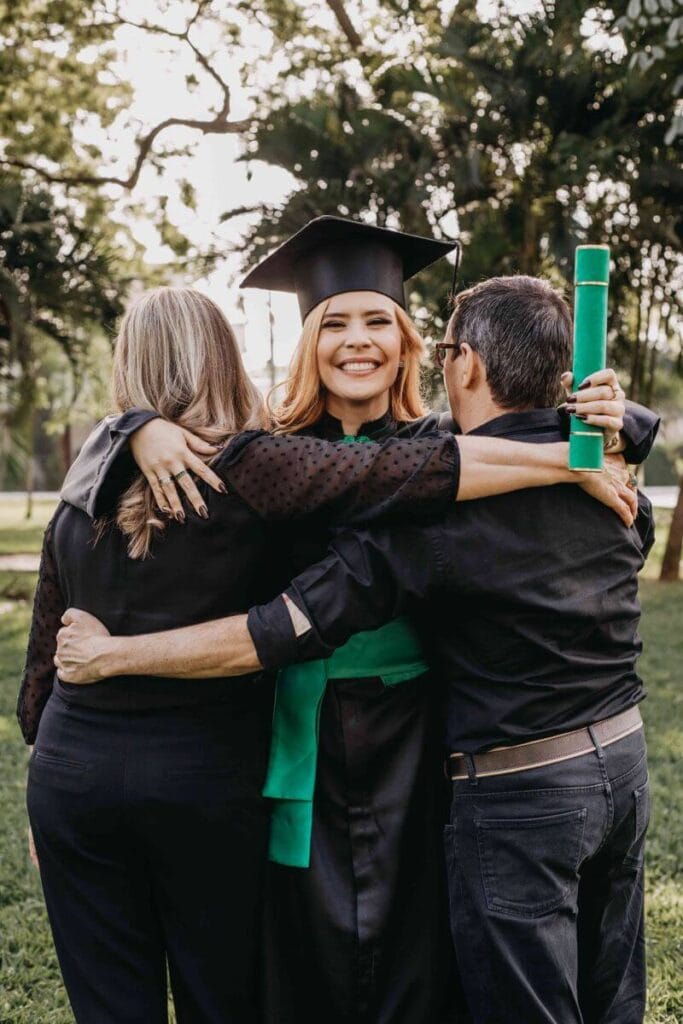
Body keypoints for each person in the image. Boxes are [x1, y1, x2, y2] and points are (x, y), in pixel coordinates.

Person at [52, 219, 651, 1023]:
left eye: (377, 321)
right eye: (333, 323)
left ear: (410, 343)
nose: (357, 341)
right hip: (297, 739)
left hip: (420, 736)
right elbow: (126, 488)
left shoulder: (445, 445)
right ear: (307, 343)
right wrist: (136, 426)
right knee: (302, 964)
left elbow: (559, 435)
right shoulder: (270, 454)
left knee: (423, 952)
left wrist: (622, 418)